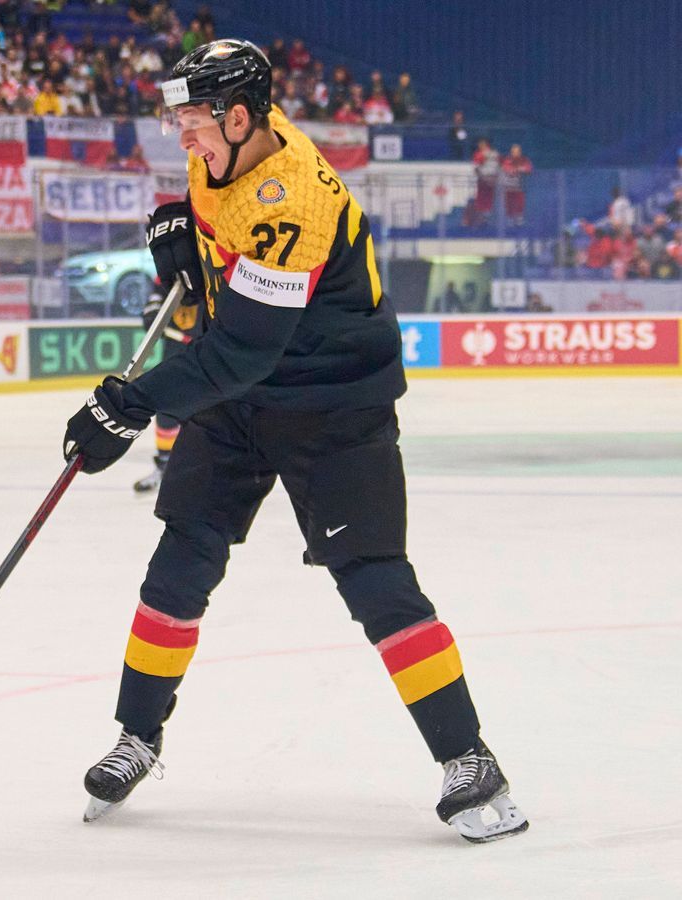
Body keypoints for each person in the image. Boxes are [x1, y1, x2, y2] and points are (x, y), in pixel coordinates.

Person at [61, 39, 527, 843]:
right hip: (243, 400)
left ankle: (471, 760)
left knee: (374, 578)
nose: (185, 139)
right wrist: (184, 231)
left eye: (195, 122)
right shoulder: (229, 150)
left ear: (241, 117)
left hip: (333, 405)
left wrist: (131, 404)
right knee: (181, 558)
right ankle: (137, 736)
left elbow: (241, 348)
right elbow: (220, 244)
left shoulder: (295, 201)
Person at [131, 287, 199, 494]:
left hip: (210, 350)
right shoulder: (175, 263)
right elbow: (158, 292)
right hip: (176, 352)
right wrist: (152, 311)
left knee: (210, 412)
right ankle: (164, 466)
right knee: (166, 411)